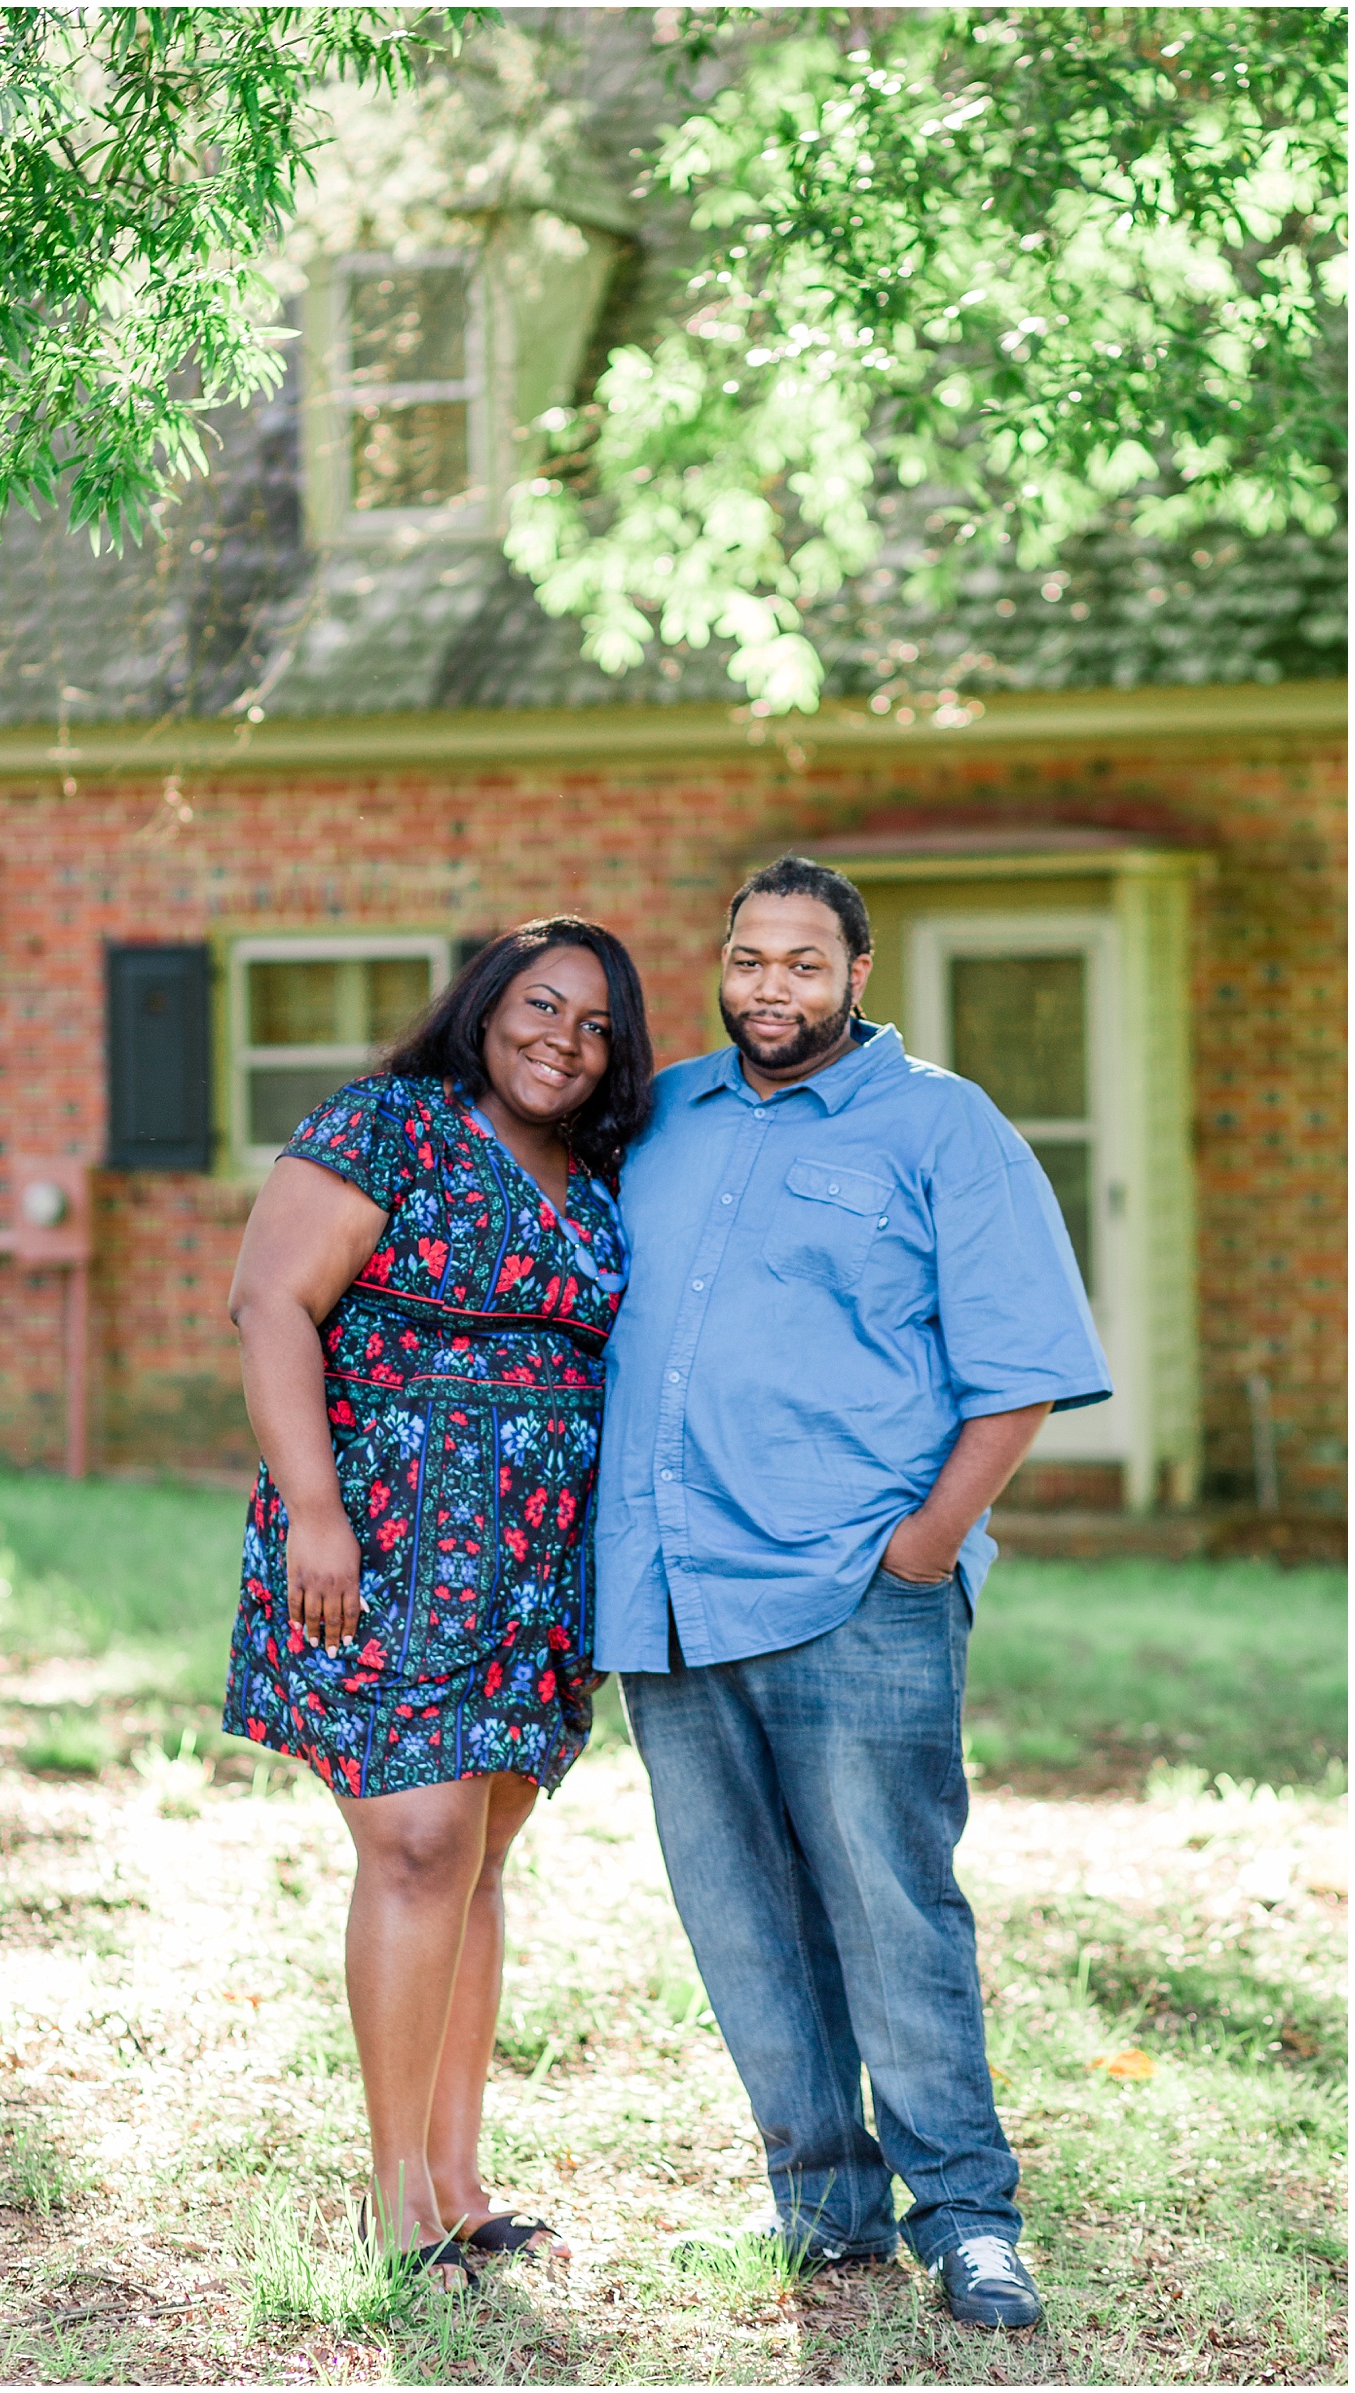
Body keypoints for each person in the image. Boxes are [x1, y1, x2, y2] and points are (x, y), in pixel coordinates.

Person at [594, 854, 1111, 2331]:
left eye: (804, 963)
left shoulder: (943, 1125)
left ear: (858, 973)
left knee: (894, 1913)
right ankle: (825, 2213)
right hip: (675, 1595)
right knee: (744, 1920)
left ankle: (969, 2216)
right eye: (750, 958)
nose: (771, 988)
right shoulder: (666, 1113)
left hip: (855, 1588)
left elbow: (1021, 1370)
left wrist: (927, 1548)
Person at [223, 919, 652, 2291]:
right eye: (542, 1005)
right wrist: (318, 1506)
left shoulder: (598, 1177)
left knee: (473, 1860)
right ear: (484, 1005)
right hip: (383, 1548)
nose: (564, 1040)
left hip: (535, 1569)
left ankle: (458, 2183)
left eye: (594, 1026)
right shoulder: (388, 1125)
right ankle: (394, 2198)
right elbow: (270, 1302)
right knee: (415, 1847)